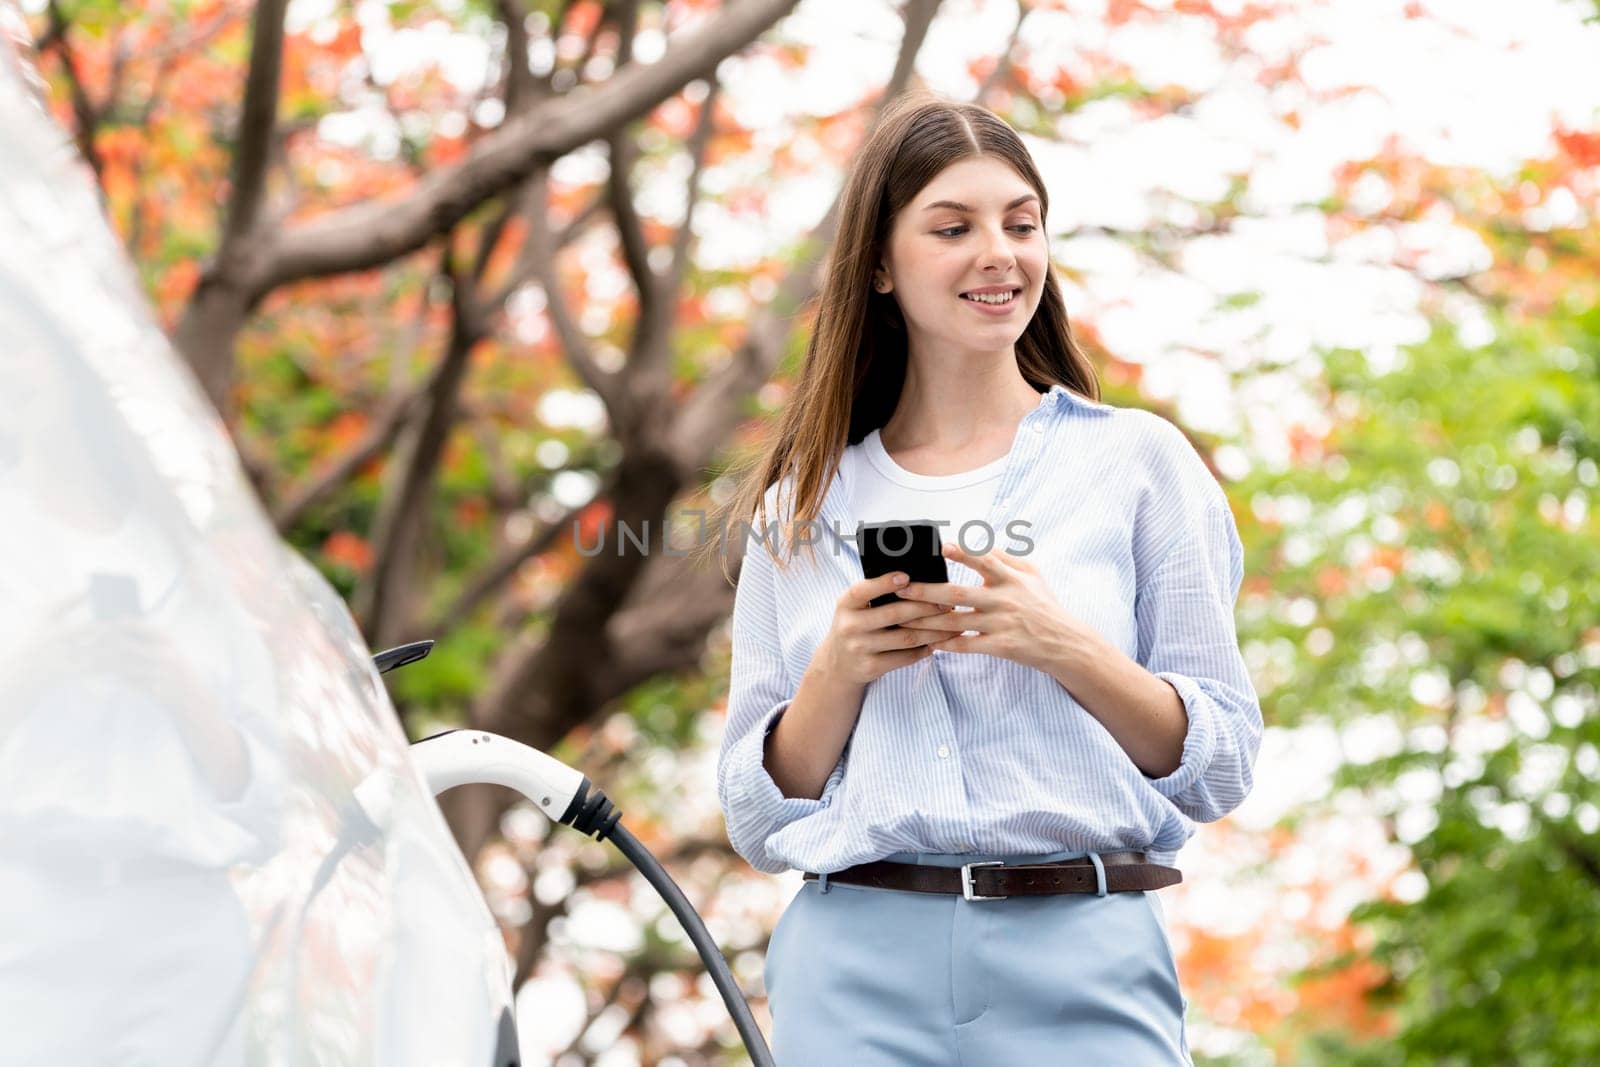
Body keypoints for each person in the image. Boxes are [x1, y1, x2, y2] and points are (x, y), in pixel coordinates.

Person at [710, 90, 1264, 1065]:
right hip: (854, 962)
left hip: (1085, 952)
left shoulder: (1138, 463)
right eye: (952, 227)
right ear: (880, 263)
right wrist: (839, 669)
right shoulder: (802, 499)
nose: (997, 253)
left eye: (1021, 222)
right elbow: (757, 815)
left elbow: (1220, 764)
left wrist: (1065, 647)